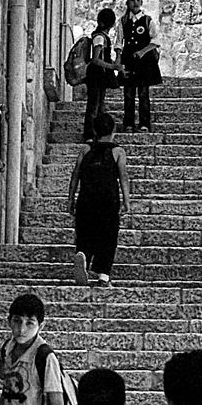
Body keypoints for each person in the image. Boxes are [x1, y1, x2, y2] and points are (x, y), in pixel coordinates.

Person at [68, 111, 130, 288]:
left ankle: (84, 258)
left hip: (86, 199)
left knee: (85, 232)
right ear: (114, 130)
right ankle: (103, 275)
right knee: (108, 236)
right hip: (108, 201)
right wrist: (127, 201)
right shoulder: (118, 151)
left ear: (95, 130)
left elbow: (75, 176)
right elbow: (123, 177)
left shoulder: (86, 149)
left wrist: (70, 199)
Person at [119, 0, 161, 133]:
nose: (135, 2)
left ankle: (144, 123)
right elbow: (119, 43)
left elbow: (155, 41)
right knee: (129, 93)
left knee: (143, 93)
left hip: (145, 63)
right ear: (127, 3)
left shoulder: (148, 20)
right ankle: (128, 123)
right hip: (129, 61)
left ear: (141, 2)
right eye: (132, 0)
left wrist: (142, 52)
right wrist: (119, 62)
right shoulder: (123, 21)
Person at [82, 6, 124, 141]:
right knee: (94, 105)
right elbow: (95, 59)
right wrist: (112, 66)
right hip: (96, 75)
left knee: (99, 105)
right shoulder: (100, 38)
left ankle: (97, 133)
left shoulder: (102, 37)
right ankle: (89, 134)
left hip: (100, 76)